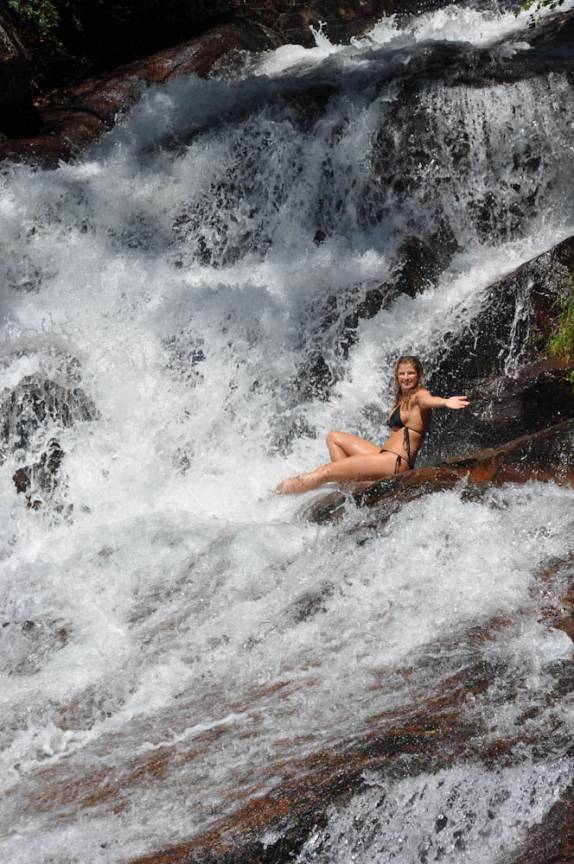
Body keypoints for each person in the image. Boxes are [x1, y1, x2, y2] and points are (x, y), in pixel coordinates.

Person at [276, 355, 469, 495]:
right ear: (397, 376)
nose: (406, 377)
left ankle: (276, 496)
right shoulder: (401, 399)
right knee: (334, 437)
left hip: (395, 462)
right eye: (402, 373)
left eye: (411, 373)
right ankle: (348, 485)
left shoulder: (419, 396)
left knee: (324, 472)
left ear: (418, 376)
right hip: (384, 456)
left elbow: (429, 400)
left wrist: (445, 402)